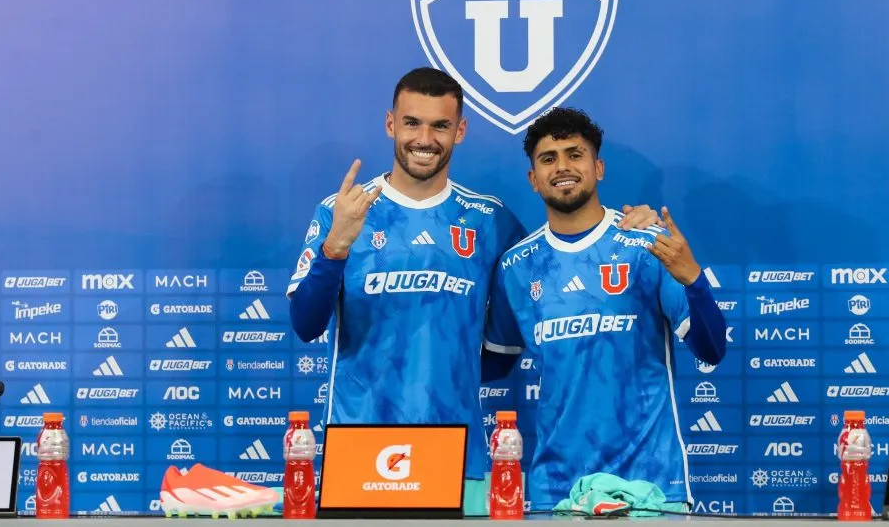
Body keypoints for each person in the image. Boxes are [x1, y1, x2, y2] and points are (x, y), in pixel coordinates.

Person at [286, 68, 662, 514]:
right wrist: (335, 250)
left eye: (440, 125)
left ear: (459, 130)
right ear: (390, 124)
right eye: (412, 123)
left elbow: (555, 262)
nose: (424, 139)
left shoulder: (489, 220)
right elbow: (306, 325)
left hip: (459, 456)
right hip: (360, 448)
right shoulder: (342, 211)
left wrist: (629, 225)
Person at [483, 107, 727, 513]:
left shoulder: (646, 245)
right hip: (558, 492)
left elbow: (712, 349)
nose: (562, 167)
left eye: (575, 154)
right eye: (548, 158)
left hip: (650, 488)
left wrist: (694, 281)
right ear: (533, 179)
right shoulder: (516, 267)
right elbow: (492, 362)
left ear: (598, 168)